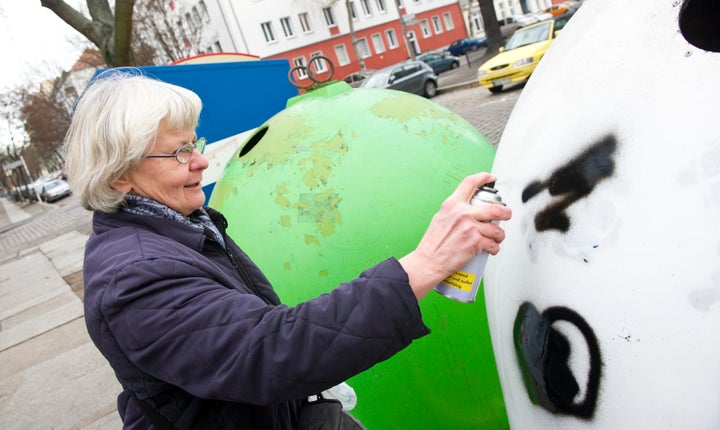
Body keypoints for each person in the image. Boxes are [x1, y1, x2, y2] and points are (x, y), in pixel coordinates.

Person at [63, 71, 512, 429]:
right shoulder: (135, 275)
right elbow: (268, 351)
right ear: (119, 176)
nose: (201, 161)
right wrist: (427, 263)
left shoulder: (177, 225)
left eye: (194, 143)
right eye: (179, 152)